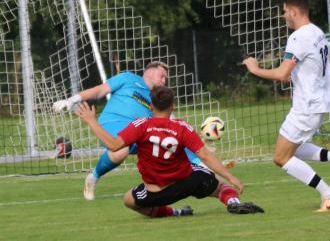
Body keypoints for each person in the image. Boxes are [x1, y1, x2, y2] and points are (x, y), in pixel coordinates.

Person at [242, 0, 330, 213]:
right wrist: (301, 74)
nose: (284, 15)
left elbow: (280, 73)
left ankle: (329, 194)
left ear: (294, 11)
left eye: (285, 11)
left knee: (281, 157)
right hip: (319, 104)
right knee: (292, 150)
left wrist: (255, 68)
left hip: (306, 107)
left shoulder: (298, 37)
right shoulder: (318, 33)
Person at [75, 85, 264, 216]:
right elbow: (205, 155)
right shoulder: (182, 127)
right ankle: (233, 203)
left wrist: (92, 121)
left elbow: (113, 145)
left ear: (150, 106)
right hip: (186, 183)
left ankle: (175, 212)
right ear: (172, 106)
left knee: (129, 201)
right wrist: (232, 178)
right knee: (221, 185)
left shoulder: (140, 125)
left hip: (155, 192)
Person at [52, 61, 202, 200]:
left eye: (165, 79)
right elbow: (99, 91)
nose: (164, 80)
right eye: (162, 76)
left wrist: (196, 145)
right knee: (121, 150)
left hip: (138, 135)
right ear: (149, 71)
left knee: (170, 141)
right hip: (112, 125)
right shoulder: (128, 78)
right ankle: (93, 178)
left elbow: (173, 128)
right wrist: (71, 100)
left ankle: (202, 165)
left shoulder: (158, 98)